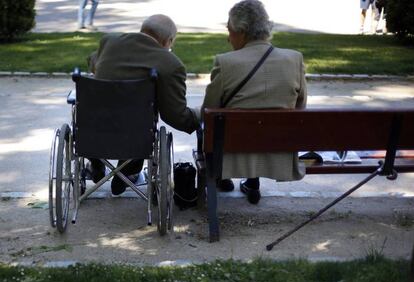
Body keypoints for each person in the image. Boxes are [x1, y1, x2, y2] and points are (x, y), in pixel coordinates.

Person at [201, 0, 307, 204]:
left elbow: (209, 109)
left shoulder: (226, 62)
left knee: (219, 126)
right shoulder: (294, 59)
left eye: (229, 30)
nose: (228, 38)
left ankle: (224, 177)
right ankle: (252, 182)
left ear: (241, 32)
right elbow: (300, 106)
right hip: (278, 148)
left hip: (231, 151)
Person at [87, 14, 200, 195]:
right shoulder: (170, 64)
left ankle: (96, 162)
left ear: (143, 30)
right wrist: (200, 115)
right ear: (168, 41)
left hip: (93, 132)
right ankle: (128, 172)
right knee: (138, 120)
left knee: (116, 112)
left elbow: (92, 61)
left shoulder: (109, 42)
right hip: (135, 137)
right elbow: (175, 116)